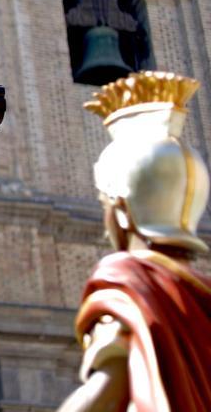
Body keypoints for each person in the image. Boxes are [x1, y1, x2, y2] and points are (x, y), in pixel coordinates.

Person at [59, 71, 211, 412]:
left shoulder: (132, 283)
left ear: (123, 210)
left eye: (105, 205)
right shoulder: (202, 297)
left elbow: (105, 390)